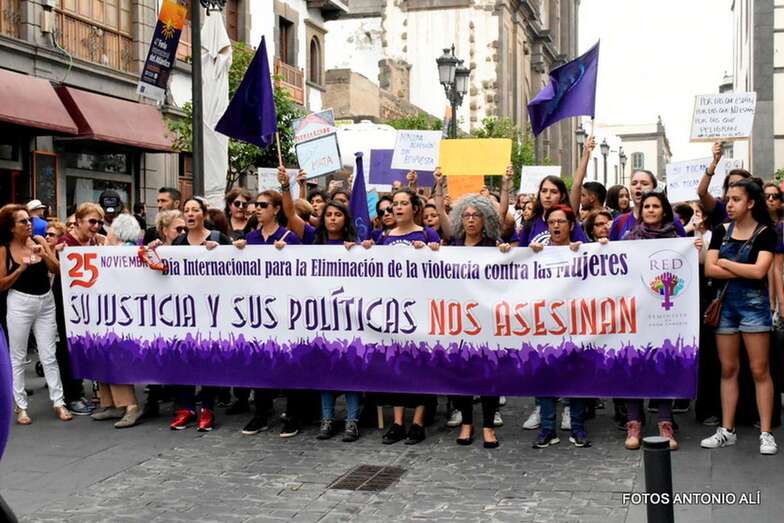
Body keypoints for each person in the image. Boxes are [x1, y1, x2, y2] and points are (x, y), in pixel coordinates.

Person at [701, 179, 778, 455]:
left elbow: (760, 273)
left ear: (750, 203)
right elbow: (710, 270)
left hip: (754, 307)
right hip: (726, 308)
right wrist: (740, 268)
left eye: (735, 199)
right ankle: (727, 429)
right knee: (728, 369)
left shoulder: (766, 233)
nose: (729, 204)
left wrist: (726, 263)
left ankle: (766, 432)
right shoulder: (721, 230)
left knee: (759, 370)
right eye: (728, 198)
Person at [365, 188, 439, 445]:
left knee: (419, 366)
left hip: (419, 311)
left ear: (414, 208)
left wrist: (430, 250)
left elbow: (440, 265)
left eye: (403, 204)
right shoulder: (383, 237)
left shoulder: (426, 233)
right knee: (396, 365)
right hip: (391, 310)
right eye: (394, 204)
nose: (397, 208)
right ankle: (397, 422)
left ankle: (417, 422)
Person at [243, 188, 309, 438]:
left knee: (289, 362)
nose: (257, 208)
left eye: (262, 205)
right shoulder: (250, 238)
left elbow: (304, 271)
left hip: (286, 310)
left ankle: (293, 415)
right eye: (256, 205)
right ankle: (261, 413)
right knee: (261, 362)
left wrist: (289, 252)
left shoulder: (289, 237)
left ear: (276, 209)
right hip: (260, 310)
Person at [524, 205, 590, 448]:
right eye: (551, 222)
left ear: (571, 225)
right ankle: (548, 429)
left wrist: (586, 251)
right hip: (544, 325)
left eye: (561, 221)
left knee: (575, 376)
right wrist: (528, 255)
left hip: (575, 323)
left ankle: (578, 428)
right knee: (545, 375)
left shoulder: (583, 251)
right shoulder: (537, 253)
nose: (555, 226)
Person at [167, 198, 235, 432]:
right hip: (184, 310)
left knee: (208, 358)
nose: (190, 214)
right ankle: (185, 407)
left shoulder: (218, 239)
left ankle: (207, 408)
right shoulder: (177, 243)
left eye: (195, 210)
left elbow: (235, 266)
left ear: (204, 214)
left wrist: (221, 254)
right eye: (186, 211)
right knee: (184, 358)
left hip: (211, 310)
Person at [0, 204, 71, 424]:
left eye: (29, 221)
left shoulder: (39, 241)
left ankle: (59, 402)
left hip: (45, 301)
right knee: (18, 357)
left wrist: (45, 255)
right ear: (12, 228)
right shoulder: (4, 248)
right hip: (20, 302)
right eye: (23, 221)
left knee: (49, 355)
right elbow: (1, 284)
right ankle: (20, 406)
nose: (29, 224)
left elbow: (57, 270)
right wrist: (20, 269)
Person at [621, 192, 681, 450]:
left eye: (656, 206)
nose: (651, 210)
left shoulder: (677, 241)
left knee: (662, 364)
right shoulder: (629, 239)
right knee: (635, 364)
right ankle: (634, 422)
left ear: (664, 211)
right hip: (635, 312)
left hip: (664, 314)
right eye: (647, 206)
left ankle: (665, 423)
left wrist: (695, 247)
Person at [447, 194, 502, 448]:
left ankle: (488, 426)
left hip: (487, 320)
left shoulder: (494, 247)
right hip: (459, 321)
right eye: (466, 215)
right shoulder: (453, 247)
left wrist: (506, 253)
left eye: (476, 215)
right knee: (463, 374)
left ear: (485, 219)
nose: (470, 220)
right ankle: (467, 423)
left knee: (489, 372)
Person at [90, 214, 143, 428]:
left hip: (120, 313)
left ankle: (130, 405)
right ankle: (111, 403)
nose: (107, 233)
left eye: (110, 229)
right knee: (104, 354)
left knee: (115, 356)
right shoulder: (113, 251)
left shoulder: (123, 253)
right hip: (108, 310)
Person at [54, 202, 106, 415]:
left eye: (99, 222)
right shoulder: (65, 243)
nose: (96, 226)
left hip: (87, 301)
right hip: (66, 300)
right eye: (92, 221)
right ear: (78, 220)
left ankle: (83, 392)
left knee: (86, 344)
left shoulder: (95, 241)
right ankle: (72, 394)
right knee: (69, 346)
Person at [140, 210, 186, 419]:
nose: (182, 232)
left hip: (182, 310)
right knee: (157, 353)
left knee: (178, 354)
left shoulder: (189, 249)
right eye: (178, 229)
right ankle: (152, 401)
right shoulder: (154, 251)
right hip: (159, 310)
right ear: (165, 231)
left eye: (184, 228)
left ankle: (180, 402)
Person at [609, 170, 686, 240]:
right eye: (634, 183)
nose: (638, 186)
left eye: (644, 184)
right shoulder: (620, 221)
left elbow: (683, 248)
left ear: (653, 188)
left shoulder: (672, 220)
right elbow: (612, 251)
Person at [696, 142, 752, 226]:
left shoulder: (757, 214)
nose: (735, 187)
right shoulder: (721, 208)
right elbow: (702, 192)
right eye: (731, 184)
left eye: (740, 184)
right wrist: (714, 162)